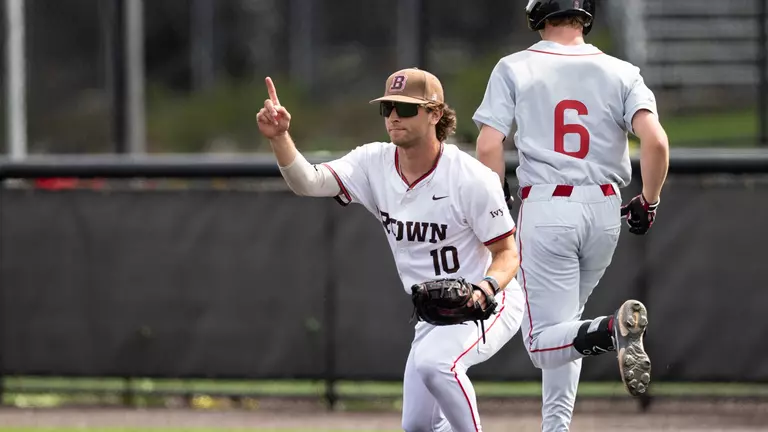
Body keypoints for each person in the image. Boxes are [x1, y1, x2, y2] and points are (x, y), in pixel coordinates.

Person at [257, 67, 526, 432]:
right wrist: (280, 138)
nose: (394, 116)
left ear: (434, 113)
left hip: (489, 302)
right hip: (433, 312)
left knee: (436, 364)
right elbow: (308, 182)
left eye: (406, 108)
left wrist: (484, 290)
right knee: (417, 427)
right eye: (388, 109)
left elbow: (508, 254)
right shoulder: (373, 163)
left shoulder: (471, 177)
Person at [471, 1, 670, 431]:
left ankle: (611, 330)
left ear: (538, 14)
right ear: (586, 14)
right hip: (604, 208)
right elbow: (655, 141)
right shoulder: (622, 70)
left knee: (542, 343)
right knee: (566, 331)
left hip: (547, 205)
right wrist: (649, 200)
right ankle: (556, 427)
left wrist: (495, 202)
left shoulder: (515, 65)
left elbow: (489, 146)